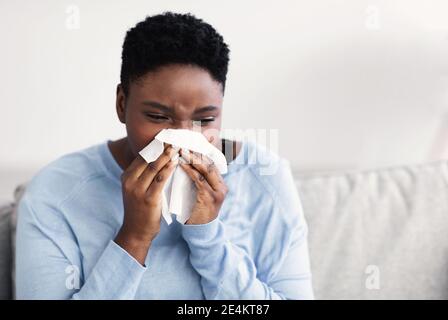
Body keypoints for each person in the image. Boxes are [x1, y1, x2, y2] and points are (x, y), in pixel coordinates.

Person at [15, 12, 314, 299]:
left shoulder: (266, 178)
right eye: (158, 116)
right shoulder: (56, 193)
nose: (181, 143)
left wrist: (208, 236)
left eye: (205, 120)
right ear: (122, 104)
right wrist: (134, 237)